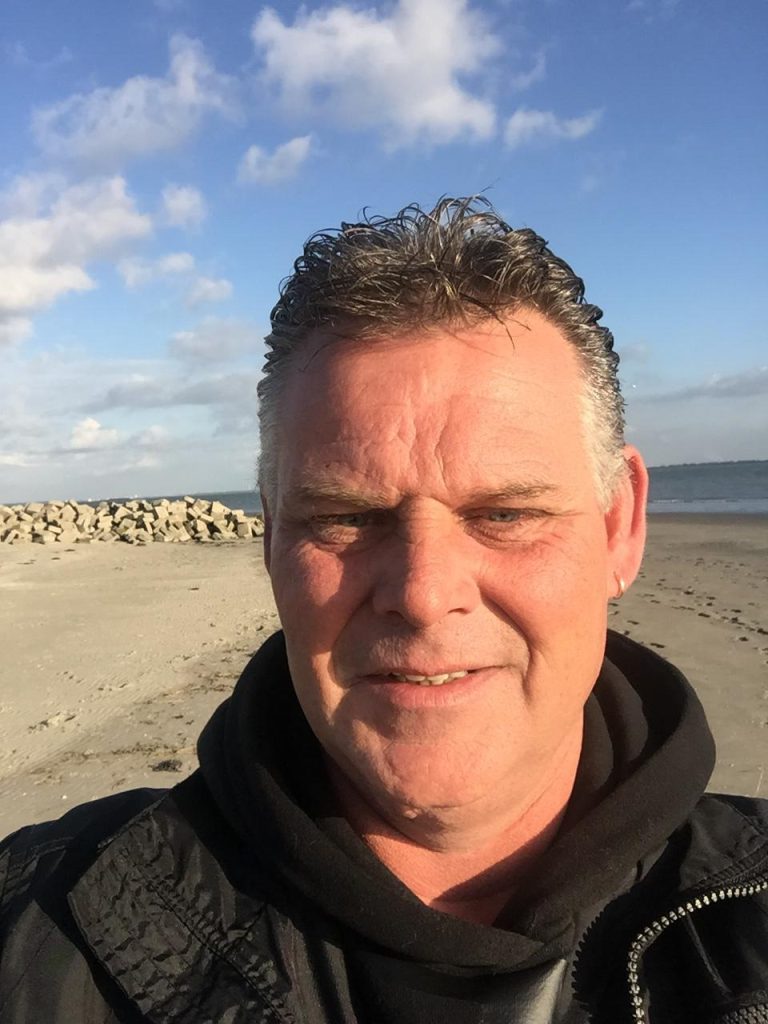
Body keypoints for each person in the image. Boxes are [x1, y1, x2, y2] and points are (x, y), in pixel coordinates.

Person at [1, 197, 766, 1024]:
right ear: (271, 538)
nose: (423, 593)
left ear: (619, 527)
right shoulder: (39, 928)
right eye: (348, 517)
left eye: (505, 513)